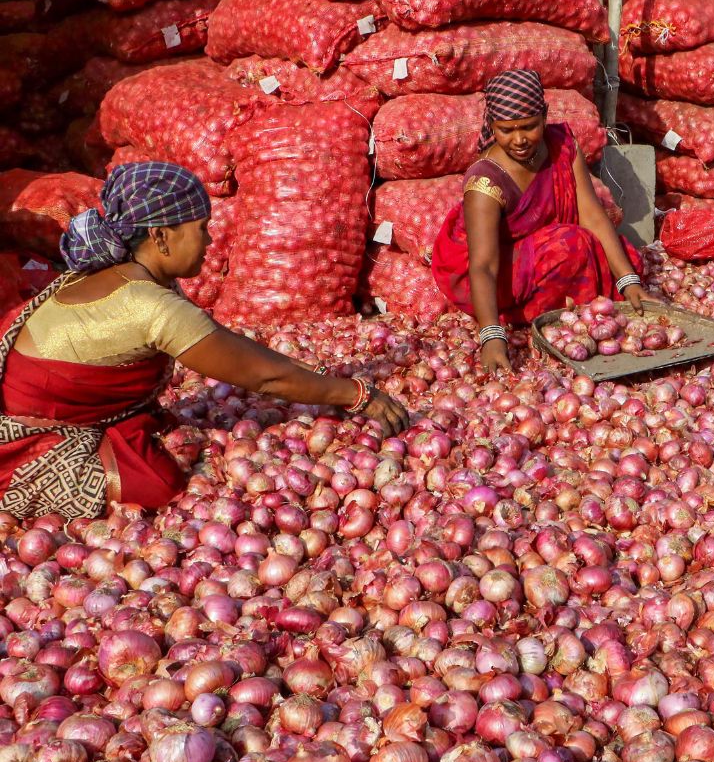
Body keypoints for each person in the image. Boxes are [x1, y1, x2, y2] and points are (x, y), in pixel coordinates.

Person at [0, 162, 409, 520]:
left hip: (63, 404)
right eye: (201, 229)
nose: (211, 242)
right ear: (161, 237)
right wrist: (357, 394)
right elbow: (265, 379)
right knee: (160, 483)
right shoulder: (149, 305)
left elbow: (227, 346)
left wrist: (311, 373)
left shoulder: (131, 274)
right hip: (33, 432)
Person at [431, 70, 646, 374]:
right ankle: (537, 314)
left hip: (542, 243)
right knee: (571, 245)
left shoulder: (562, 145)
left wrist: (628, 281)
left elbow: (593, 215)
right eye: (506, 130)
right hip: (493, 267)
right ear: (492, 125)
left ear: (544, 115)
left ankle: (580, 311)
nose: (519, 140)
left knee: (621, 254)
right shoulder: (485, 182)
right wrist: (491, 336)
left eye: (529, 127)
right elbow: (482, 265)